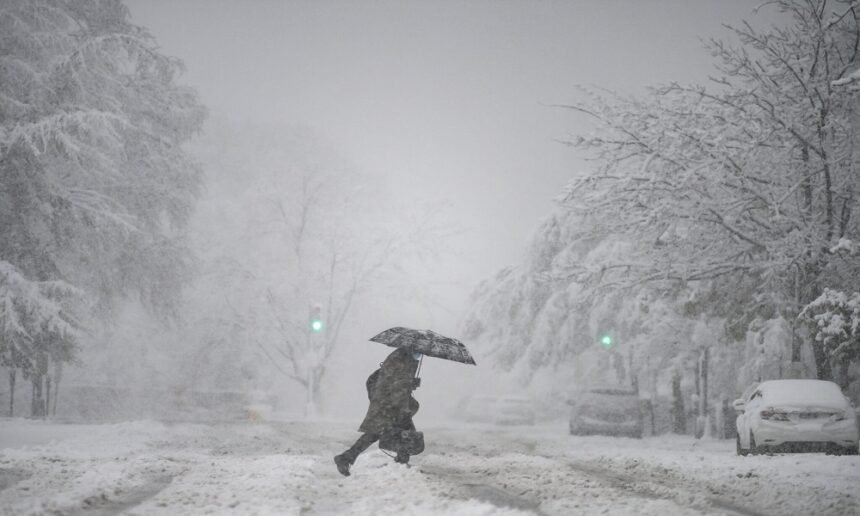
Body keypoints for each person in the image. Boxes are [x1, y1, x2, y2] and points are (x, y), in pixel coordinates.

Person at [334, 347, 422, 476]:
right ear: (412, 348)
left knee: (376, 433)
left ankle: (346, 458)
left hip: (391, 404)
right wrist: (409, 383)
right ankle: (401, 462)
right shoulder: (400, 359)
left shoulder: (404, 358)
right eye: (418, 351)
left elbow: (396, 382)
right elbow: (394, 383)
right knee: (404, 432)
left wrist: (411, 383)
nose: (419, 354)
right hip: (389, 405)